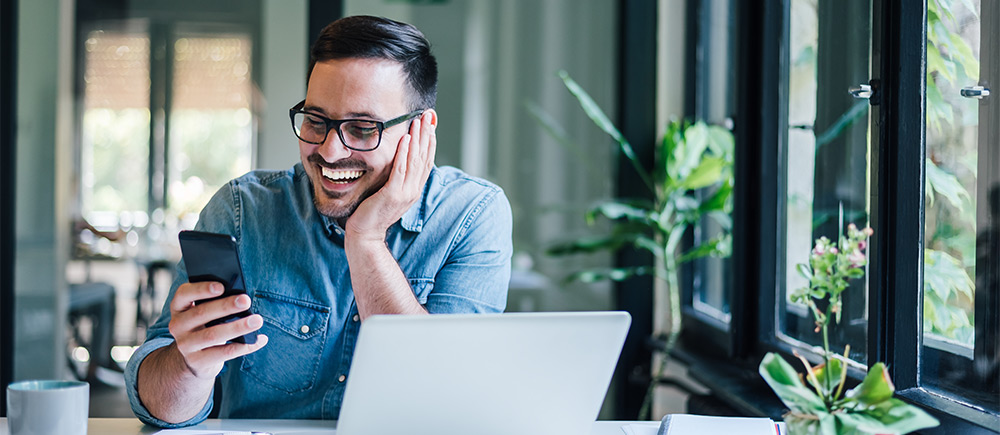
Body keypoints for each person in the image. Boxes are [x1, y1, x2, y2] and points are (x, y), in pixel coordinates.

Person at [125, 15, 512, 427]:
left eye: (362, 129)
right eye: (316, 120)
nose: (328, 151)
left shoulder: (472, 215)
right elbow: (161, 410)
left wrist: (365, 239)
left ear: (420, 131)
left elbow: (447, 397)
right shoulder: (242, 211)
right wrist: (190, 366)